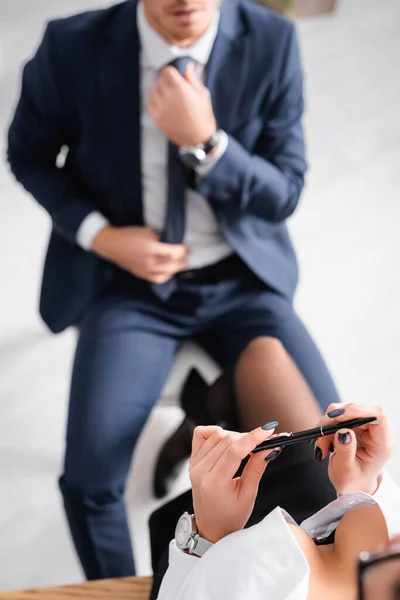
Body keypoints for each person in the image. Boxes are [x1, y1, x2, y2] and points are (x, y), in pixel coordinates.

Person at [7, 0, 340, 580]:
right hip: (128, 288)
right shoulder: (70, 45)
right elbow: (28, 154)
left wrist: (209, 144)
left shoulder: (272, 41)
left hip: (243, 283)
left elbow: (283, 190)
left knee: (327, 467)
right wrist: (102, 236)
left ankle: (209, 432)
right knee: (89, 484)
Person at [156, 402, 400, 600]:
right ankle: (207, 407)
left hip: (204, 570)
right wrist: (362, 484)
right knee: (266, 354)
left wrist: (205, 538)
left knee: (261, 360)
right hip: (315, 518)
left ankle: (203, 410)